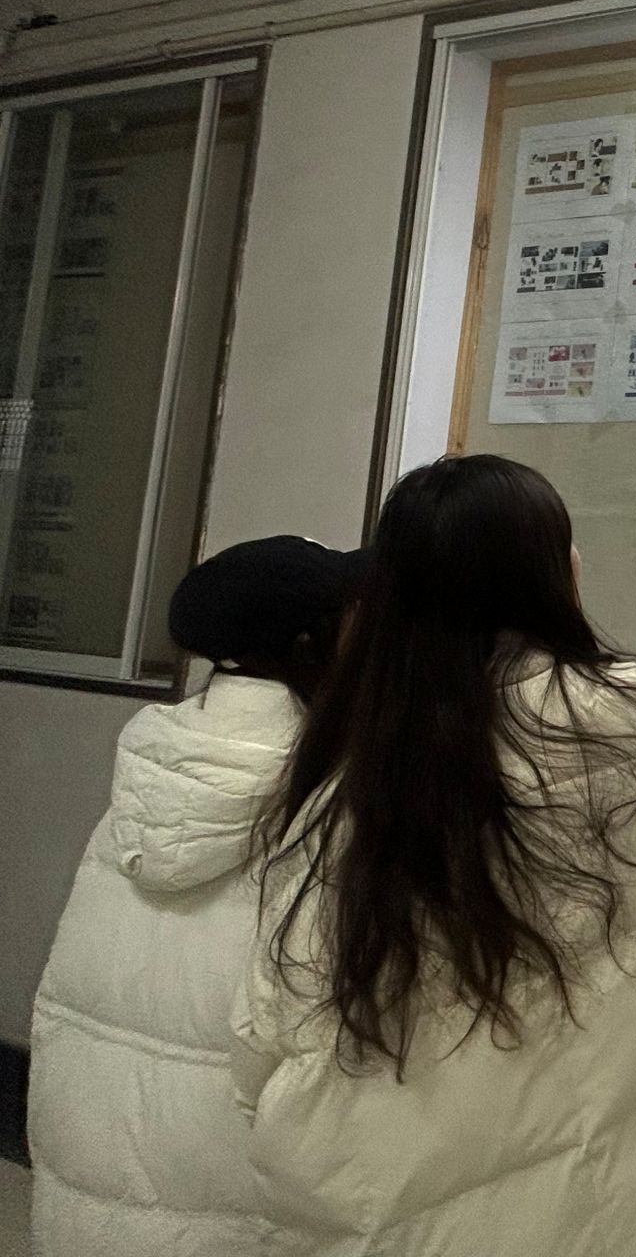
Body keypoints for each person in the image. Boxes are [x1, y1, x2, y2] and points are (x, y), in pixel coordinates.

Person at [233, 453, 636, 1257]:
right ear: (552, 574)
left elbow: (266, 1035)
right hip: (626, 1216)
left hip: (408, 1215)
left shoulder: (352, 781)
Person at [28, 535, 364, 1256]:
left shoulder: (157, 768)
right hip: (225, 1182)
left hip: (89, 1144)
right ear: (310, 645)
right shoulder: (325, 795)